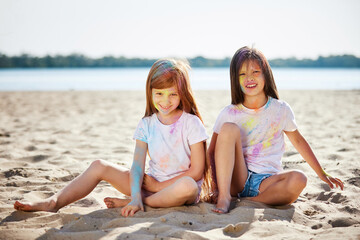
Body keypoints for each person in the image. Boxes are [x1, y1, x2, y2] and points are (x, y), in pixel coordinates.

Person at [14, 58, 209, 217]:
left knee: (188, 186)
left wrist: (156, 187)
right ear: (150, 92)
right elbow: (138, 166)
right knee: (99, 165)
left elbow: (197, 171)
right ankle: (54, 202)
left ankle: (143, 203)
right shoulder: (147, 124)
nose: (165, 101)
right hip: (147, 184)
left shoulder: (191, 123)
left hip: (177, 190)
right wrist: (136, 193)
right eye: (159, 93)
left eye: (172, 94)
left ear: (182, 93)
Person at [207, 46, 344, 213]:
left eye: (255, 72)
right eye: (242, 74)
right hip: (236, 180)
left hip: (268, 182)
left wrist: (322, 173)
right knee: (228, 129)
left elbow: (299, 141)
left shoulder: (281, 109)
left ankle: (250, 201)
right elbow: (213, 151)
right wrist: (215, 188)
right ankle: (225, 198)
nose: (249, 78)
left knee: (299, 178)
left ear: (266, 74)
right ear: (235, 79)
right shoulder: (229, 113)